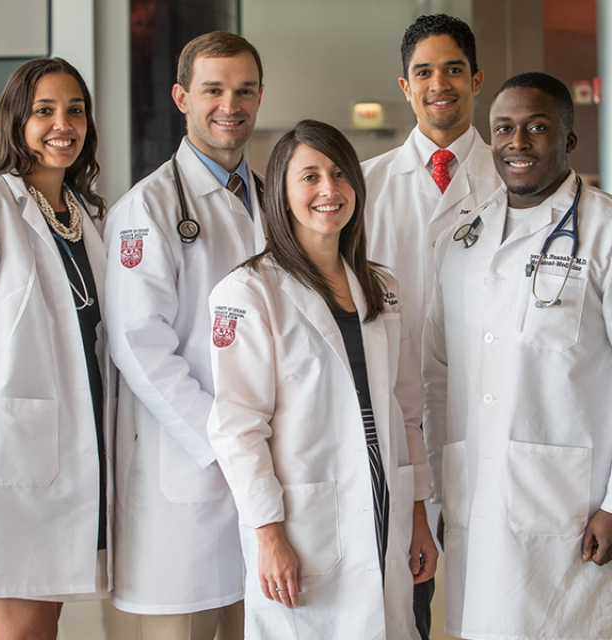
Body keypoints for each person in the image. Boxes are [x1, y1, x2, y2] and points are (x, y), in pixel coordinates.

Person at [207, 119, 437, 640]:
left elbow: (406, 409)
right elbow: (238, 426)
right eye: (309, 177)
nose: (328, 190)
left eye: (338, 173)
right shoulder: (247, 292)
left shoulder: (381, 287)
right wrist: (267, 534)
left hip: (387, 507)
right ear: (283, 195)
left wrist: (418, 509)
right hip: (305, 521)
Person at [422, 72, 612, 639]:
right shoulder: (460, 236)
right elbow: (437, 373)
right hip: (473, 497)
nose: (517, 142)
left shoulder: (602, 230)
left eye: (537, 128)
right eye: (504, 128)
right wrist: (432, 488)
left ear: (569, 140)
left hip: (571, 512)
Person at [104, 31, 264, 640]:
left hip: (260, 474)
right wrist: (222, 439)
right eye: (213, 90)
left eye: (244, 90)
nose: (231, 104)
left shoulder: (272, 200)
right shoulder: (144, 211)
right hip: (191, 471)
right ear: (181, 97)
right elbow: (139, 346)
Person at [362, 16, 502, 637]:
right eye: (424, 72)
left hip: (487, 414)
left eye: (452, 70)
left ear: (476, 79)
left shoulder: (514, 181)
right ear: (404, 84)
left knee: (493, 597)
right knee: (404, 596)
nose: (438, 84)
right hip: (392, 420)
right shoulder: (361, 187)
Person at [0, 58, 114, 640]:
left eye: (75, 110)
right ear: (16, 121)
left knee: (44, 627)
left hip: (76, 450)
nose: (64, 124)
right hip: (12, 455)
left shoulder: (86, 213)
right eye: (45, 111)